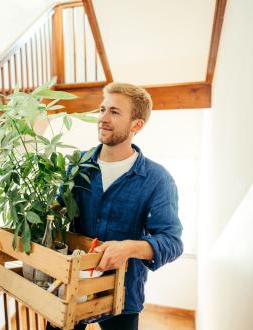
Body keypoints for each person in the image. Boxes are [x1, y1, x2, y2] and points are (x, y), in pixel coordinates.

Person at [47, 82, 183, 330]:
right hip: (71, 284)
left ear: (137, 125)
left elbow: (172, 242)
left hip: (123, 294)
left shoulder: (157, 179)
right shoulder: (79, 165)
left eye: (115, 112)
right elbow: (59, 209)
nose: (103, 118)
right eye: (102, 109)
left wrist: (129, 248)